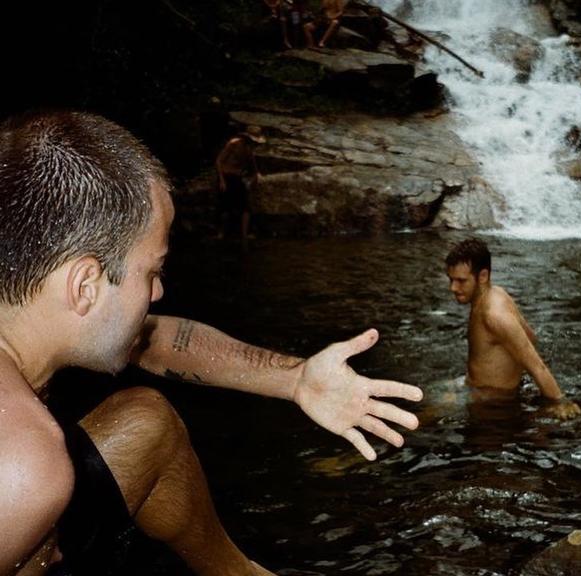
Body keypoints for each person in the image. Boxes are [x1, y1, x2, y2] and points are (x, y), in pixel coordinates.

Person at [0, 110, 423, 576]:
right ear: (85, 286)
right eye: (153, 271)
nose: (159, 291)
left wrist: (296, 378)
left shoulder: (24, 310)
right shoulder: (24, 466)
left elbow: (158, 341)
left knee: (147, 423)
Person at [445, 238, 581, 420]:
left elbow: (535, 365)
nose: (453, 287)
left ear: (483, 276)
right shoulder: (497, 293)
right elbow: (530, 338)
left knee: (419, 417)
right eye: (451, 279)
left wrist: (559, 401)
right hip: (472, 385)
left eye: (461, 281)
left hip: (489, 400)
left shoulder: (494, 315)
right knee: (422, 395)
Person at [215, 126, 265, 239]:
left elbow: (252, 163)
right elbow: (219, 161)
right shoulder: (234, 143)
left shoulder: (249, 148)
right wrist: (222, 180)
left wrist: (256, 173)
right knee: (224, 206)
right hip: (226, 176)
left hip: (237, 178)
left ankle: (244, 234)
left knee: (245, 207)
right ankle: (221, 232)